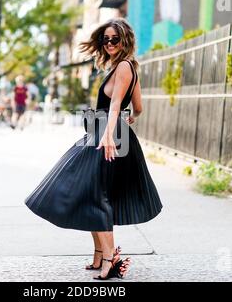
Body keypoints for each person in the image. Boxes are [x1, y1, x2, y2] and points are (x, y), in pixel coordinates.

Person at [25, 18, 163, 280]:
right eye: (106, 39)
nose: (109, 43)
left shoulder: (123, 67)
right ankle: (100, 254)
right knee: (92, 192)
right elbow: (139, 107)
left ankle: (110, 259)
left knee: (96, 195)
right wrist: (129, 118)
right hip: (107, 133)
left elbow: (114, 107)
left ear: (125, 40)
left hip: (108, 137)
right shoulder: (128, 67)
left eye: (115, 39)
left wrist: (110, 134)